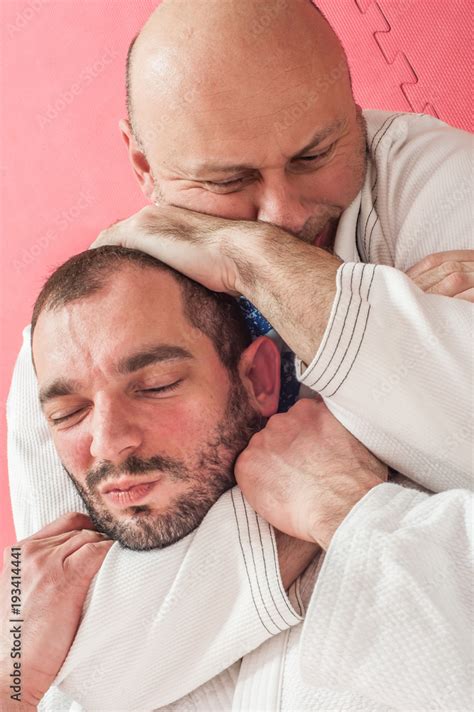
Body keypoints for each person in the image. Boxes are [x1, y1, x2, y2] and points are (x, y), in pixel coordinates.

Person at [6, 0, 473, 709]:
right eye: (227, 184)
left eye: (316, 154)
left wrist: (245, 254)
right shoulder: (78, 334)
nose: (283, 215)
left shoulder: (428, 175)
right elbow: (75, 664)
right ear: (143, 163)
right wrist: (347, 471)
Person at [3, 245, 468, 712]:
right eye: (68, 413)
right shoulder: (35, 608)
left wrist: (377, 360)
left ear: (259, 380)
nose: (107, 443)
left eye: (156, 386)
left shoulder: (424, 526)